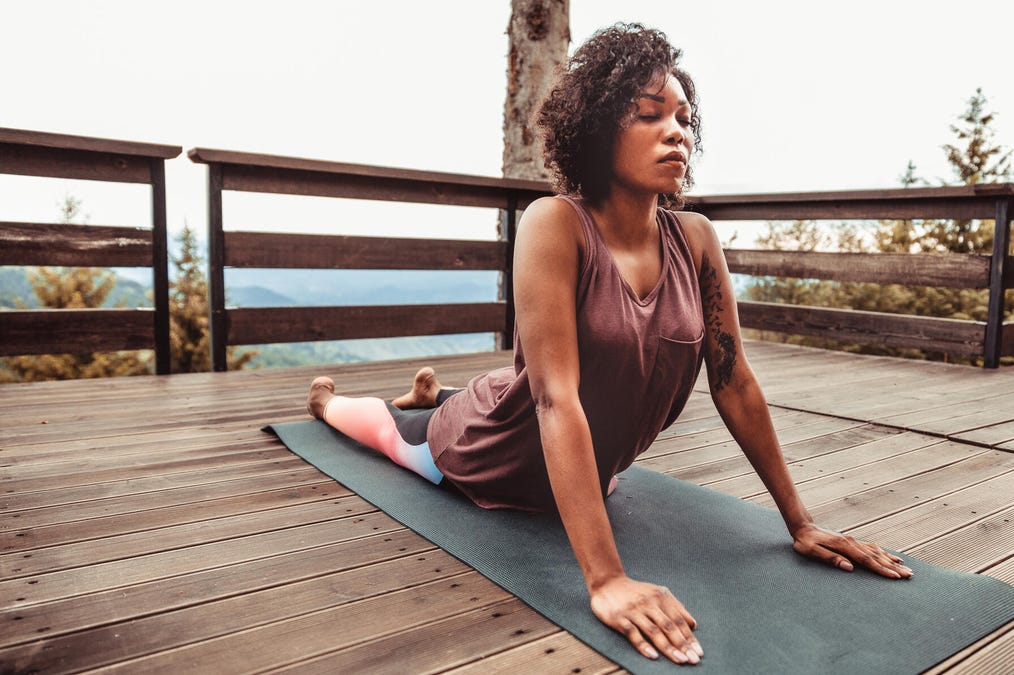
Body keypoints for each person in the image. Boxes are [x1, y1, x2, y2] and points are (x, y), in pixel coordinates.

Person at [305, 23, 912, 666]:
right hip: (491, 452)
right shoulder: (555, 224)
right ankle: (336, 403)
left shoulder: (697, 240)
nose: (675, 130)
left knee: (509, 388)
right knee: (395, 439)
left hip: (581, 461)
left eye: (681, 117)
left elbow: (734, 383)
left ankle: (438, 392)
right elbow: (553, 403)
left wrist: (800, 522)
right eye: (649, 115)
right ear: (597, 130)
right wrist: (606, 580)